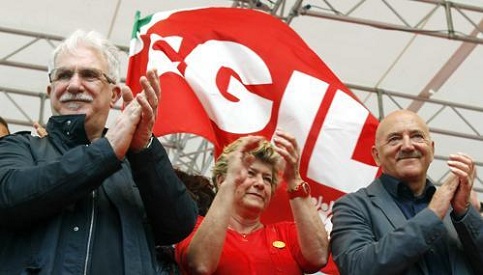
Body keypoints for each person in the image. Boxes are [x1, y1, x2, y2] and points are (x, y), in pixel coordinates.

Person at [0, 29, 198, 274]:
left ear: (114, 94)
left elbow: (179, 224)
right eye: (63, 75)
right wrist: (107, 151)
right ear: (51, 92)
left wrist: (144, 148)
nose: (74, 84)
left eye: (89, 75)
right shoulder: (19, 147)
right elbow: (9, 197)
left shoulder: (138, 163)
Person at [330, 109, 483, 275]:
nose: (408, 146)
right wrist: (432, 216)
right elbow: (357, 268)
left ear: (431, 150)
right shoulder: (352, 207)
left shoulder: (456, 208)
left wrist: (464, 212)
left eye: (417, 136)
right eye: (394, 139)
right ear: (376, 156)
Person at [175, 130, 329, 274]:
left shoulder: (286, 233)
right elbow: (200, 265)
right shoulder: (194, 226)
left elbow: (319, 257)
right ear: (222, 180)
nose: (260, 183)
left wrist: (294, 179)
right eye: (251, 173)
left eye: (267, 179)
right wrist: (230, 182)